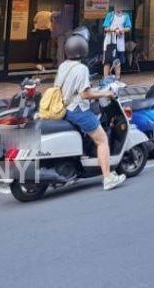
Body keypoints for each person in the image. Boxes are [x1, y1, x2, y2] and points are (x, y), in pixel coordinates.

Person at [56, 28, 126, 191]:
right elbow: (85, 94)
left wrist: (95, 90)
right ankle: (108, 178)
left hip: (64, 108)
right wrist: (106, 93)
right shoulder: (81, 69)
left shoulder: (63, 66)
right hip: (77, 110)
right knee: (102, 140)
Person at [102, 7, 130, 78]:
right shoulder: (110, 15)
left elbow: (128, 28)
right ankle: (106, 78)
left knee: (118, 61)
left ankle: (117, 78)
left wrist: (121, 30)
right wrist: (114, 30)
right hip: (110, 42)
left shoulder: (126, 15)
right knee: (107, 61)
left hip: (120, 42)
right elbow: (106, 28)